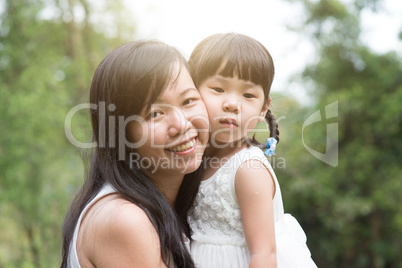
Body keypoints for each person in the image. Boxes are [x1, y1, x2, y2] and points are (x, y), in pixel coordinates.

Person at [60, 40, 210, 268]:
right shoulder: (125, 219)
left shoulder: (173, 209)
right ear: (121, 134)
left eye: (188, 101)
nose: (180, 124)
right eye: (155, 113)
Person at [187, 33, 317, 268]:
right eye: (218, 88)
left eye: (248, 95)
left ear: (263, 108)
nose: (232, 104)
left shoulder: (248, 168)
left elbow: (264, 255)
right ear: (193, 92)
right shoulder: (196, 156)